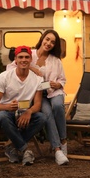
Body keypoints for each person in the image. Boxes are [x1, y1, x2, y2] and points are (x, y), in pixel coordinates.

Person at [7, 30, 69, 165]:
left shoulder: (56, 60)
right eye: (47, 39)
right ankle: (58, 150)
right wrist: (32, 68)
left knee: (58, 106)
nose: (49, 43)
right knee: (47, 114)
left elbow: (63, 80)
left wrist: (57, 84)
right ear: (42, 38)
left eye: (53, 42)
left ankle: (63, 141)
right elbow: (11, 68)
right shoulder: (30, 55)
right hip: (38, 94)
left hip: (54, 91)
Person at [0, 45, 46, 165]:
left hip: (24, 113)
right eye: (20, 57)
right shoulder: (4, 76)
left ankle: (12, 147)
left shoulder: (38, 80)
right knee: (2, 116)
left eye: (27, 57)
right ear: (15, 60)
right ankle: (24, 149)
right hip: (6, 113)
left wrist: (29, 112)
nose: (23, 60)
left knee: (42, 118)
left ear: (31, 59)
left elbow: (37, 104)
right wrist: (7, 107)